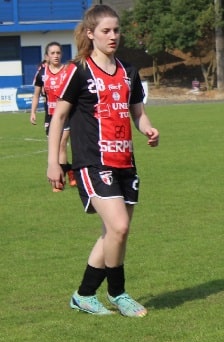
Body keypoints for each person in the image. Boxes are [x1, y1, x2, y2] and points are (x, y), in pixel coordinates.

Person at [46, 5, 159, 317]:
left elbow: (138, 111)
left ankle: (83, 295)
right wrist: (54, 161)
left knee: (113, 233)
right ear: (90, 33)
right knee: (119, 227)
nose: (113, 36)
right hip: (93, 162)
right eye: (106, 31)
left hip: (125, 161)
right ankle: (118, 293)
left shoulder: (128, 72)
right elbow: (58, 118)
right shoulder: (78, 71)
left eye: (116, 30)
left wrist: (147, 128)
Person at [31, 45, 75, 191]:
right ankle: (71, 171)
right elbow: (36, 95)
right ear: (47, 56)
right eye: (52, 53)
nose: (56, 55)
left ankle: (59, 182)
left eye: (58, 52)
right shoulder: (42, 73)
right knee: (54, 147)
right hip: (50, 116)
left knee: (61, 144)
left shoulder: (67, 71)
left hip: (66, 115)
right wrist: (33, 112)